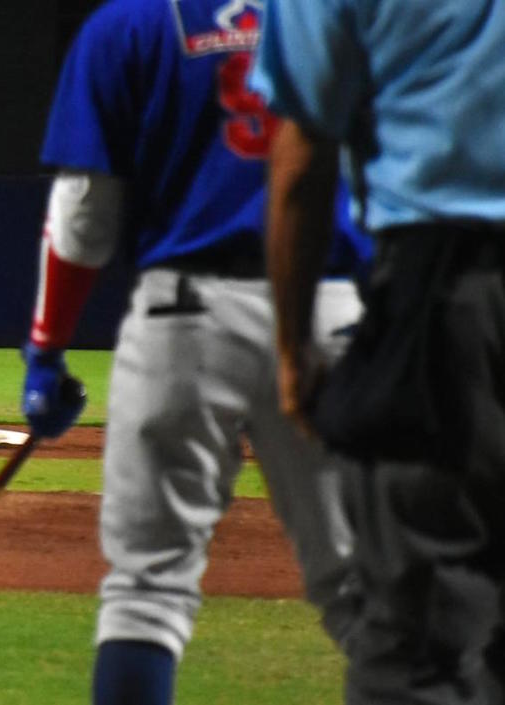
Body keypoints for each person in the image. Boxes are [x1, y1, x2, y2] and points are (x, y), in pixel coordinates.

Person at [17, 1, 372, 703]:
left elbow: (85, 215)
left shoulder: (129, 24)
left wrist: (47, 351)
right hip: (331, 311)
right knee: (372, 589)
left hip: (183, 318)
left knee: (146, 593)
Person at [251, 2, 505, 703]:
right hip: (448, 300)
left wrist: (293, 352)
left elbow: (303, 159)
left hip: (446, 303)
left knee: (418, 648)